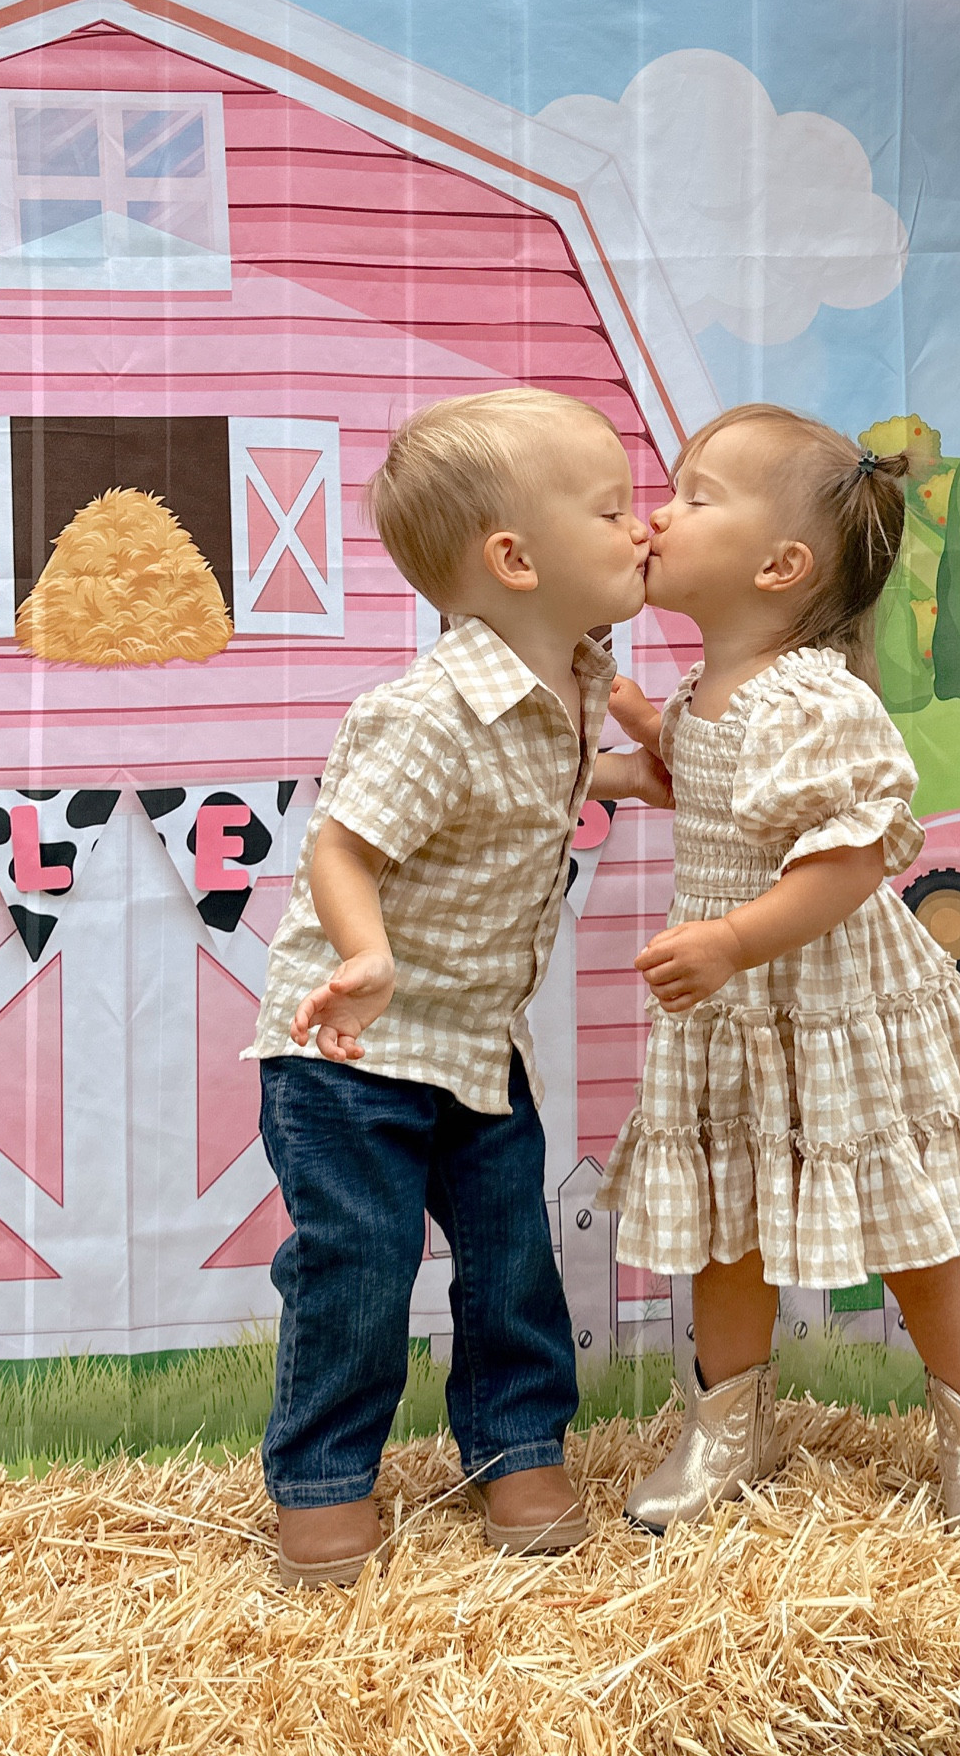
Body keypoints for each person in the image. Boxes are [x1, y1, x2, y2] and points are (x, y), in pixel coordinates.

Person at [600, 403, 960, 1547]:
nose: (661, 510)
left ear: (778, 563)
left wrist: (735, 938)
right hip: (738, 1012)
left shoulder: (811, 696)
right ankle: (726, 1426)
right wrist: (617, 747)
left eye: (695, 495)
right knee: (727, 1223)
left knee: (913, 1227)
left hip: (828, 999)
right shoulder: (715, 688)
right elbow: (697, 781)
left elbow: (850, 858)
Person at [247, 387, 668, 1588]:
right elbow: (340, 845)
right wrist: (364, 953)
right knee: (360, 1261)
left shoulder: (576, 679)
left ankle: (518, 1447)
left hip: (476, 1042)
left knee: (509, 1253)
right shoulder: (427, 711)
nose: (639, 526)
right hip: (352, 1048)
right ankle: (326, 1479)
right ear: (515, 558)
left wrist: (692, 762)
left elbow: (610, 772)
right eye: (610, 507)